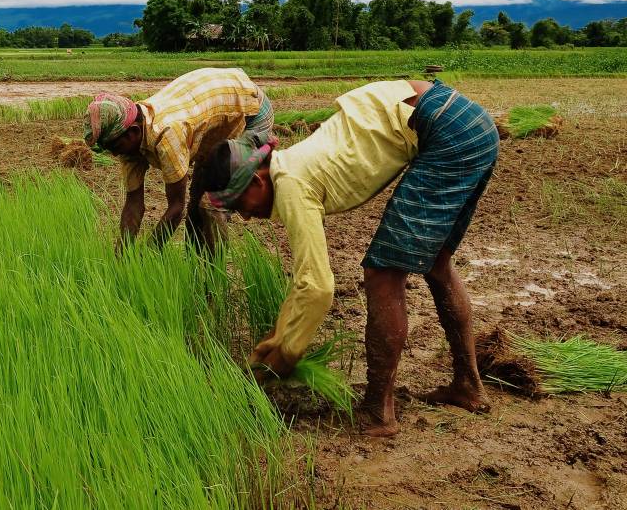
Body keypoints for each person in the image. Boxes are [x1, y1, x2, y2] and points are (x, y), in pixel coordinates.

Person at [189, 79, 499, 436]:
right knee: (437, 263)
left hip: (446, 128)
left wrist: (282, 355)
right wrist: (279, 338)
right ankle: (468, 385)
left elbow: (318, 287)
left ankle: (378, 411)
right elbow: (309, 281)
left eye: (239, 205)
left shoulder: (289, 183)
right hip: (465, 120)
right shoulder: (291, 165)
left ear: (257, 183)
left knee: (383, 273)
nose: (244, 217)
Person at [82, 67, 274, 251]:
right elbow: (134, 204)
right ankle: (196, 265)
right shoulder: (128, 139)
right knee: (196, 199)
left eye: (115, 148)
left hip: (251, 111)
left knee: (210, 204)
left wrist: (146, 255)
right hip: (211, 118)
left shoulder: (167, 135)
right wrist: (123, 255)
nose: (115, 155)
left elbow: (176, 208)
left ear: (133, 132)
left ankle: (216, 276)